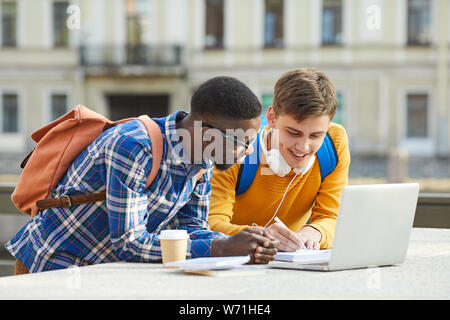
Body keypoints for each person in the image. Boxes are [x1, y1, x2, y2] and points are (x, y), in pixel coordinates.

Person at [5, 76, 279, 273]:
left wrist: (241, 244)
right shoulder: (134, 146)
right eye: (242, 143)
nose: (246, 154)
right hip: (54, 266)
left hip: (102, 271)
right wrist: (221, 249)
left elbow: (191, 229)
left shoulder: (204, 159)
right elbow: (129, 243)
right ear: (207, 134)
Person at [208, 68, 351, 251]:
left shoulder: (334, 141)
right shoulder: (235, 144)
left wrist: (315, 232)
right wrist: (264, 236)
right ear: (272, 118)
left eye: (315, 135)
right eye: (293, 133)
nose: (303, 147)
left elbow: (332, 217)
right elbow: (210, 225)